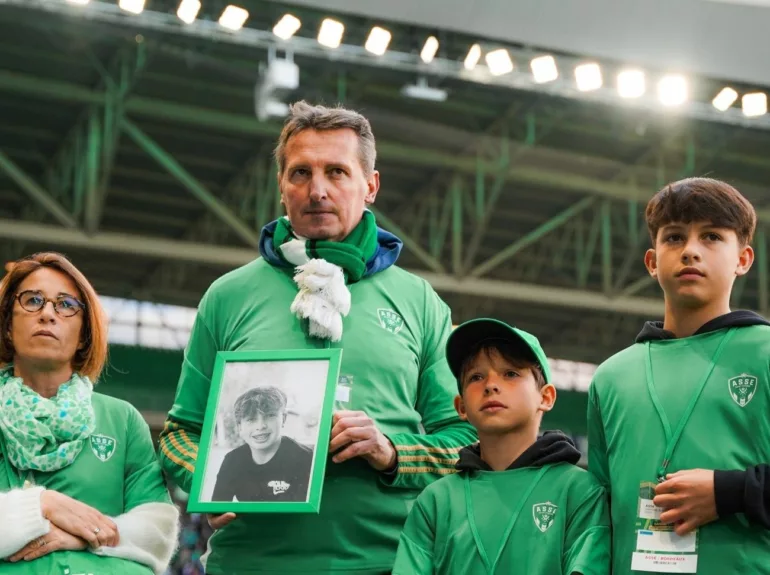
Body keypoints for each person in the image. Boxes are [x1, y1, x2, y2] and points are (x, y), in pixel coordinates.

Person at [159, 101, 477, 574]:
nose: (318, 190)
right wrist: (210, 478)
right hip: (250, 564)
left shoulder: (420, 302)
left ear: (370, 185)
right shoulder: (227, 297)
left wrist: (391, 452)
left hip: (389, 563)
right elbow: (181, 433)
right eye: (301, 173)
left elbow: (465, 439)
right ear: (281, 187)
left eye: (337, 172)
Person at [587, 177, 770, 575]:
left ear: (743, 259)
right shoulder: (611, 377)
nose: (690, 251)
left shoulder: (766, 353)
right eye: (674, 238)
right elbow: (597, 511)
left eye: (711, 237)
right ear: (652, 262)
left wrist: (730, 492)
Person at [0, 252, 180, 574]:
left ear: (84, 335)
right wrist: (39, 507)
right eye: (32, 300)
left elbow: (158, 530)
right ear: (8, 326)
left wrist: (85, 536)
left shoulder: (122, 420)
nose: (47, 314)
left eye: (66, 305)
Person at [392, 318, 610, 574]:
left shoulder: (580, 492)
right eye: (476, 376)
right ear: (461, 407)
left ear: (546, 397)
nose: (490, 385)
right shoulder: (436, 500)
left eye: (511, 373)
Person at [211, 386, 313, 502]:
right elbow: (218, 509)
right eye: (251, 419)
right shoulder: (232, 460)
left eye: (269, 416)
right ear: (240, 426)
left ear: (283, 419)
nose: (260, 426)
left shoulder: (306, 458)